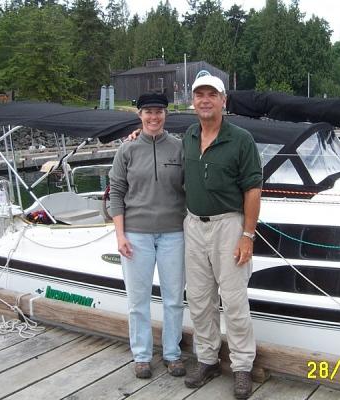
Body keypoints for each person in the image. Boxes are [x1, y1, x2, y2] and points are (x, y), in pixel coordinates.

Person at [182, 75, 262, 400]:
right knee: (199, 300)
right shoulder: (187, 136)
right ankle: (207, 359)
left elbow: (253, 189)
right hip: (192, 225)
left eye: (211, 94)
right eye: (199, 95)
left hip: (229, 225)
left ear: (223, 100)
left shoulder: (241, 140)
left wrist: (248, 235)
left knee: (233, 300)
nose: (204, 100)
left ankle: (242, 366)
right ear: (193, 101)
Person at [109, 92, 187, 379]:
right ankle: (141, 356)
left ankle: (172, 354)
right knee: (137, 301)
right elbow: (116, 193)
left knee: (174, 299)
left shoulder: (179, 148)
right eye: (148, 112)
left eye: (159, 112)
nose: (154, 117)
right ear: (139, 115)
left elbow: (190, 187)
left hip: (173, 234)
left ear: (166, 115)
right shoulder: (126, 151)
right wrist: (120, 235)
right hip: (136, 234)